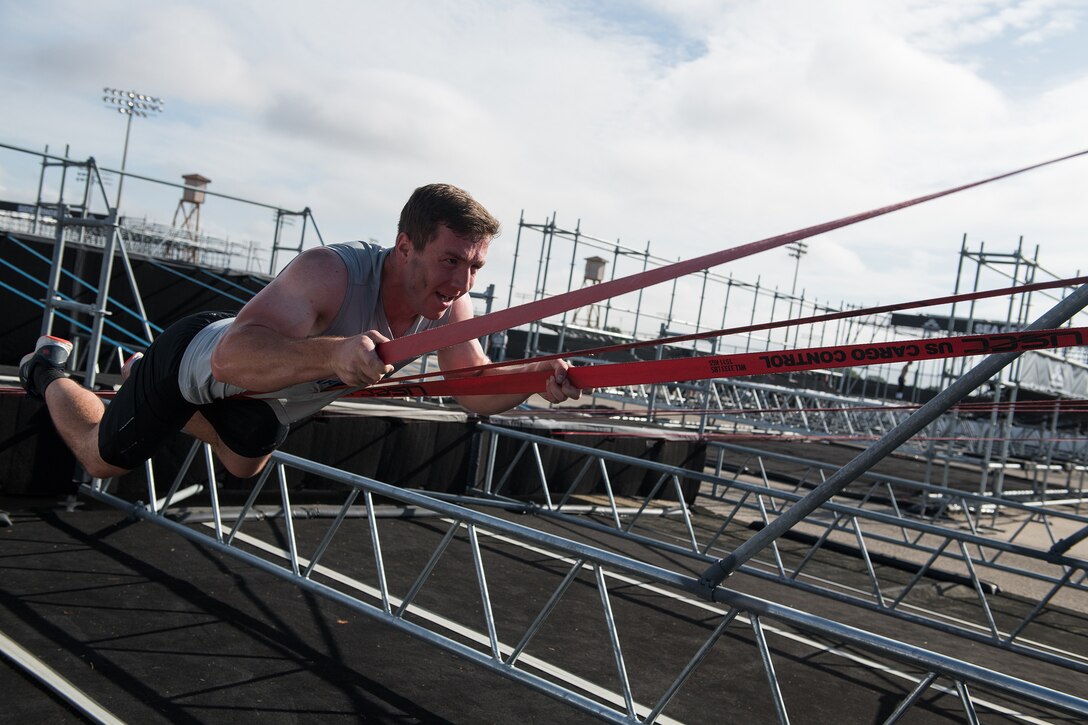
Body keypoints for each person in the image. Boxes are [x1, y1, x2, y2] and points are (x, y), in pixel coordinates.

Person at [20, 183, 584, 480]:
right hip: (196, 363)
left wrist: (535, 378)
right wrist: (335, 353)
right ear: (405, 246)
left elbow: (471, 388)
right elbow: (232, 358)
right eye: (451, 261)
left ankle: (137, 375)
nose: (462, 283)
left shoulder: (449, 305)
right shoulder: (330, 272)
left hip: (264, 409)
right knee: (101, 459)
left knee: (246, 460)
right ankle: (46, 369)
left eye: (475, 267)